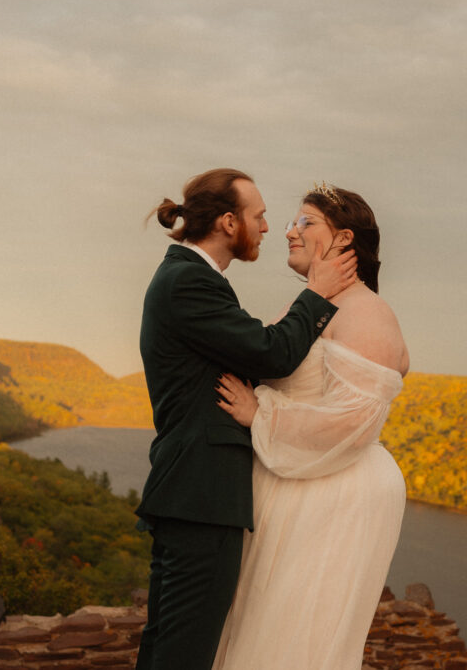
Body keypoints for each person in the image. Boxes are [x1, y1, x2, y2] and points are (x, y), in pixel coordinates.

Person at [135, 169, 358, 670]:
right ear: (228, 221)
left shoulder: (189, 279)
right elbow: (270, 352)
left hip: (190, 492)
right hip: (203, 495)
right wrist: (318, 293)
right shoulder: (187, 281)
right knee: (185, 654)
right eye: (258, 217)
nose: (267, 228)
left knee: (166, 646)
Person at [211, 183, 409, 670]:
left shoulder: (367, 313)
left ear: (343, 240)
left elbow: (351, 422)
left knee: (292, 635)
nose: (289, 232)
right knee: (261, 623)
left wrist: (260, 414)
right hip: (291, 485)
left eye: (305, 222)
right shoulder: (316, 303)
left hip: (329, 496)